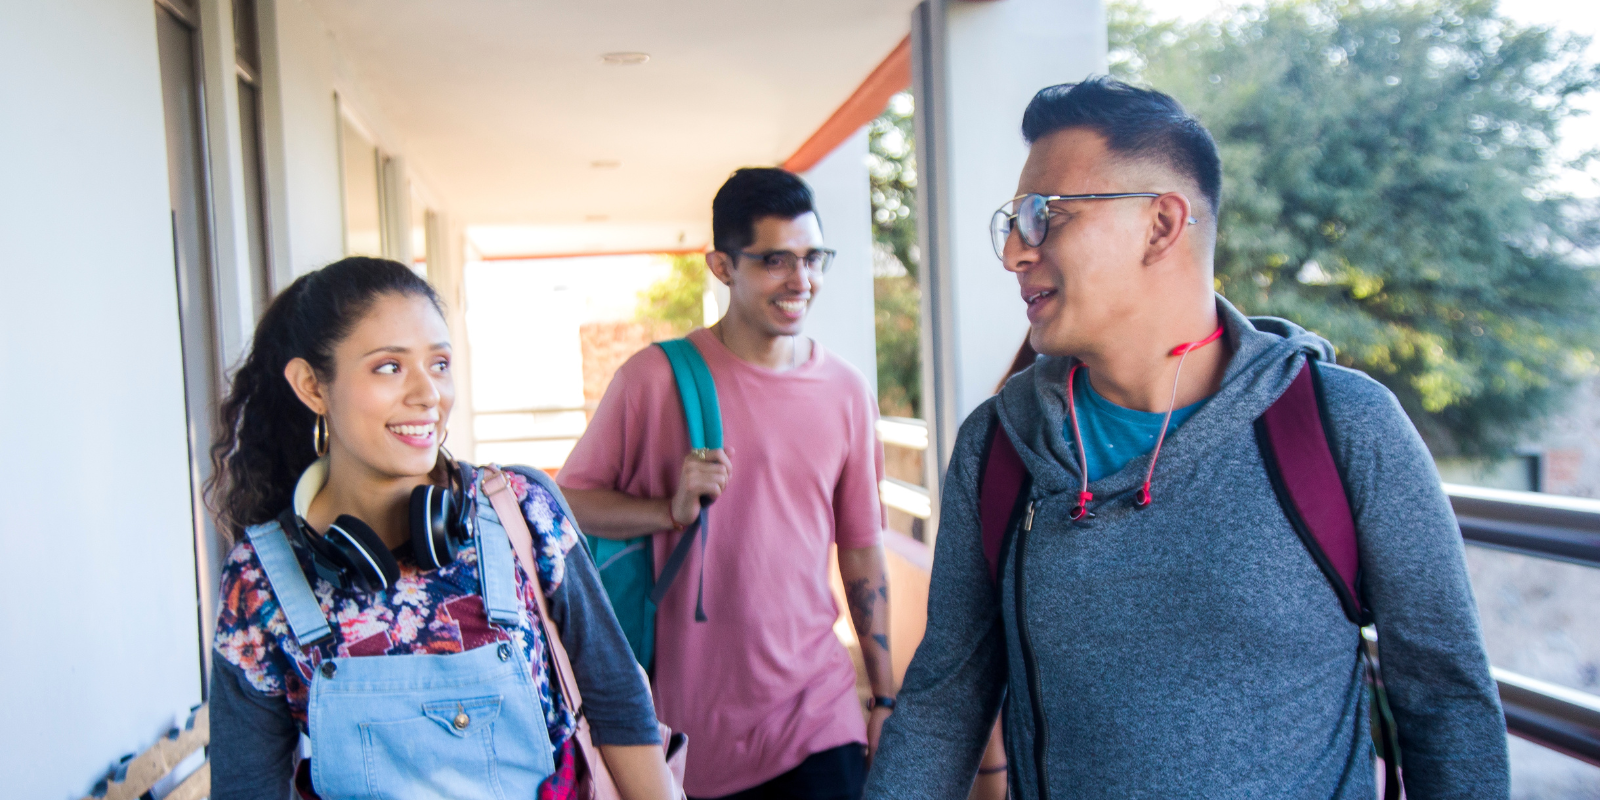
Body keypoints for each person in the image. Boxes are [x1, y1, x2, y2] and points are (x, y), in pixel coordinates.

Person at [865, 78, 1509, 798]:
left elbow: (1447, 704)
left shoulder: (1342, 427)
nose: (1016, 250)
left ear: (1162, 225)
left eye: (1045, 215)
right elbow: (944, 704)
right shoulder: (998, 447)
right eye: (1013, 221)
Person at [206, 257, 677, 800]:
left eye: (440, 364)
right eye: (389, 367)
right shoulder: (260, 582)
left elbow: (618, 701)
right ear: (312, 386)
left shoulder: (518, 512)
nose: (428, 394)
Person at [559, 167, 893, 800]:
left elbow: (860, 547)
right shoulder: (653, 380)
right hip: (692, 728)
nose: (802, 281)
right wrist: (666, 510)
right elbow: (565, 507)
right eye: (775, 261)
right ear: (722, 266)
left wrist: (883, 693)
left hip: (818, 713)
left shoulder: (846, 390)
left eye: (813, 258)